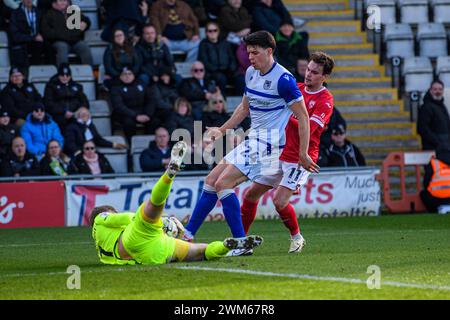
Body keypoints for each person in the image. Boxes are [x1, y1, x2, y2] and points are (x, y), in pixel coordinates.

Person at [182, 31, 317, 243]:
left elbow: (303, 117)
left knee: (222, 184)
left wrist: (302, 153)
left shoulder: (283, 80)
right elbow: (244, 108)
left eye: (255, 53)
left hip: (269, 145)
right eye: (248, 52)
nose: (250, 57)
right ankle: (188, 234)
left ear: (269, 51)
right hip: (253, 140)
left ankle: (240, 242)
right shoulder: (250, 73)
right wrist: (222, 130)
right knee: (211, 180)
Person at [90, 140, 264, 266]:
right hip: (137, 241)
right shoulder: (100, 218)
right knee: (150, 207)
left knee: (201, 252)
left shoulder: (100, 252)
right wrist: (160, 221)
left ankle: (226, 246)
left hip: (149, 256)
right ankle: (168, 175)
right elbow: (124, 218)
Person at [238, 52, 335, 255]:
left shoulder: (325, 100)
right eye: (308, 70)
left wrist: (285, 118)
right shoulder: (297, 88)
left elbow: (308, 126)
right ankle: (241, 241)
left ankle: (297, 237)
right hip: (279, 152)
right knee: (250, 195)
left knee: (279, 201)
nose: (308, 75)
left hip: (301, 157)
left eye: (315, 73)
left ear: (324, 77)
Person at [110, 67, 161, 142]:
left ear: (133, 76)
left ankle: (148, 142)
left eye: (130, 74)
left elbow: (151, 100)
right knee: (128, 123)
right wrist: (135, 116)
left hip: (143, 112)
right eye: (124, 74)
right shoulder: (115, 88)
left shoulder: (142, 84)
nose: (127, 76)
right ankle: (132, 144)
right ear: (120, 77)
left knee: (155, 121)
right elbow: (119, 106)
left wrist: (148, 114)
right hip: (126, 114)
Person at [40, 0, 93, 66]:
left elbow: (86, 20)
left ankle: (88, 73)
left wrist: (85, 23)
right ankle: (63, 74)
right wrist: (64, 35)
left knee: (84, 48)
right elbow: (46, 32)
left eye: (65, 0)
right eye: (60, 0)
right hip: (59, 41)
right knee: (62, 48)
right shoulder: (48, 14)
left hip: (75, 41)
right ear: (54, 3)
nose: (63, 2)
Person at [43, 63, 90, 131]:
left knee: (85, 116)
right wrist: (63, 111)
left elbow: (85, 103)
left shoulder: (77, 86)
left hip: (75, 115)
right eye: (62, 75)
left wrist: (78, 112)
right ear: (58, 75)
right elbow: (48, 104)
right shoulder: (51, 86)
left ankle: (91, 138)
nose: (65, 77)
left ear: (70, 76)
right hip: (58, 115)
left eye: (67, 75)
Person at [197, 21, 238, 94]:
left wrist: (231, 69)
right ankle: (222, 99)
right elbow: (204, 61)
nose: (212, 33)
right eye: (210, 31)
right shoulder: (203, 44)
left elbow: (232, 59)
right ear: (206, 33)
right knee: (221, 78)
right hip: (212, 73)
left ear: (218, 32)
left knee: (241, 79)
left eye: (215, 30)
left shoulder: (225, 43)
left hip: (228, 72)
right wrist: (218, 69)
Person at [8, 0, 45, 68]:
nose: (29, 0)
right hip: (22, 43)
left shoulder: (39, 12)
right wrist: (32, 38)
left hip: (37, 43)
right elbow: (15, 35)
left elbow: (44, 29)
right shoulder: (15, 14)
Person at [417, 80, 450, 152]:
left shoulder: (442, 106)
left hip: (444, 148)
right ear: (430, 91)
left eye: (440, 89)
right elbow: (422, 129)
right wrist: (437, 142)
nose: (438, 92)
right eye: (435, 89)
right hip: (432, 149)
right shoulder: (426, 107)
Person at [420, 146, 450, 213]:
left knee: (423, 194)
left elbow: (426, 182)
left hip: (437, 199)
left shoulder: (434, 163)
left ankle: (435, 211)